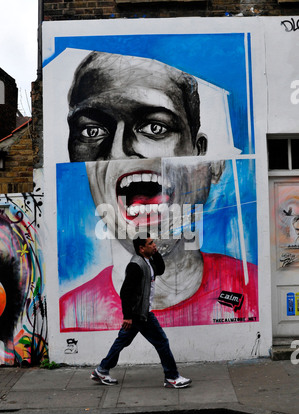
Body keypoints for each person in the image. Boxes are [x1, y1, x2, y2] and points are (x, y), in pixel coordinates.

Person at [59, 51, 258, 332]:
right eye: (92, 131)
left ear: (203, 157)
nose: (118, 153)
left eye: (154, 126)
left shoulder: (252, 289)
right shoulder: (71, 315)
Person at [91, 233, 192, 388]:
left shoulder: (148, 260)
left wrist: (156, 253)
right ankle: (172, 377)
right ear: (141, 248)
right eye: (150, 243)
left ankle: (101, 370)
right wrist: (128, 317)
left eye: (153, 243)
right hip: (140, 314)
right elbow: (125, 292)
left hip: (139, 312)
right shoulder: (135, 266)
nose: (154, 245)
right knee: (162, 342)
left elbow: (161, 270)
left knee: (122, 341)